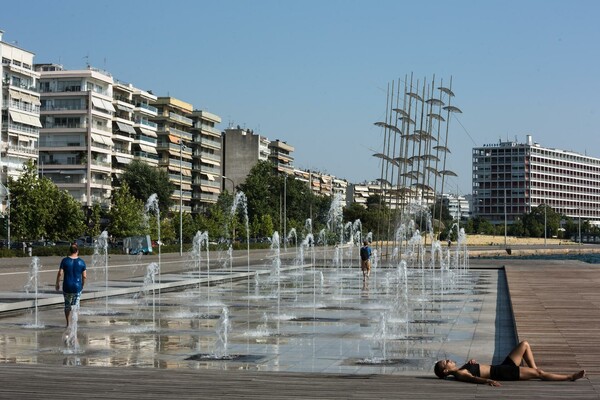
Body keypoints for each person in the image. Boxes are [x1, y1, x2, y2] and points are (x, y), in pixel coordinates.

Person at [434, 340, 585, 387]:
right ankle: (570, 377)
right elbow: (474, 379)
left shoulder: (462, 369)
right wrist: (488, 381)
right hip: (504, 373)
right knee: (540, 374)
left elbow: (473, 372)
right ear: (446, 371)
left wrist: (471, 363)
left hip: (503, 366)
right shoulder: (460, 373)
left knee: (524, 344)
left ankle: (534, 370)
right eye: (446, 362)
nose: (449, 360)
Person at [55, 243, 87, 328]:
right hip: (77, 287)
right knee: (76, 305)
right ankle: (74, 324)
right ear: (77, 251)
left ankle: (68, 324)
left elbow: (60, 273)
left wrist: (57, 283)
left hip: (67, 286)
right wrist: (82, 284)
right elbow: (84, 276)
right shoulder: (81, 262)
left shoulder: (65, 260)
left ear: (70, 251)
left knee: (67, 305)